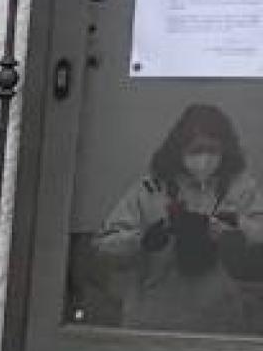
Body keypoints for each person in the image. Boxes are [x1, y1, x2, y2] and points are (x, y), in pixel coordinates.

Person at [92, 103, 263, 335]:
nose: (204, 158)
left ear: (225, 149)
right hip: (153, 323)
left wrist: (234, 227)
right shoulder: (150, 188)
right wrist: (143, 240)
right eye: (196, 149)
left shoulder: (241, 188)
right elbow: (103, 245)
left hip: (220, 324)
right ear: (179, 148)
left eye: (212, 149)